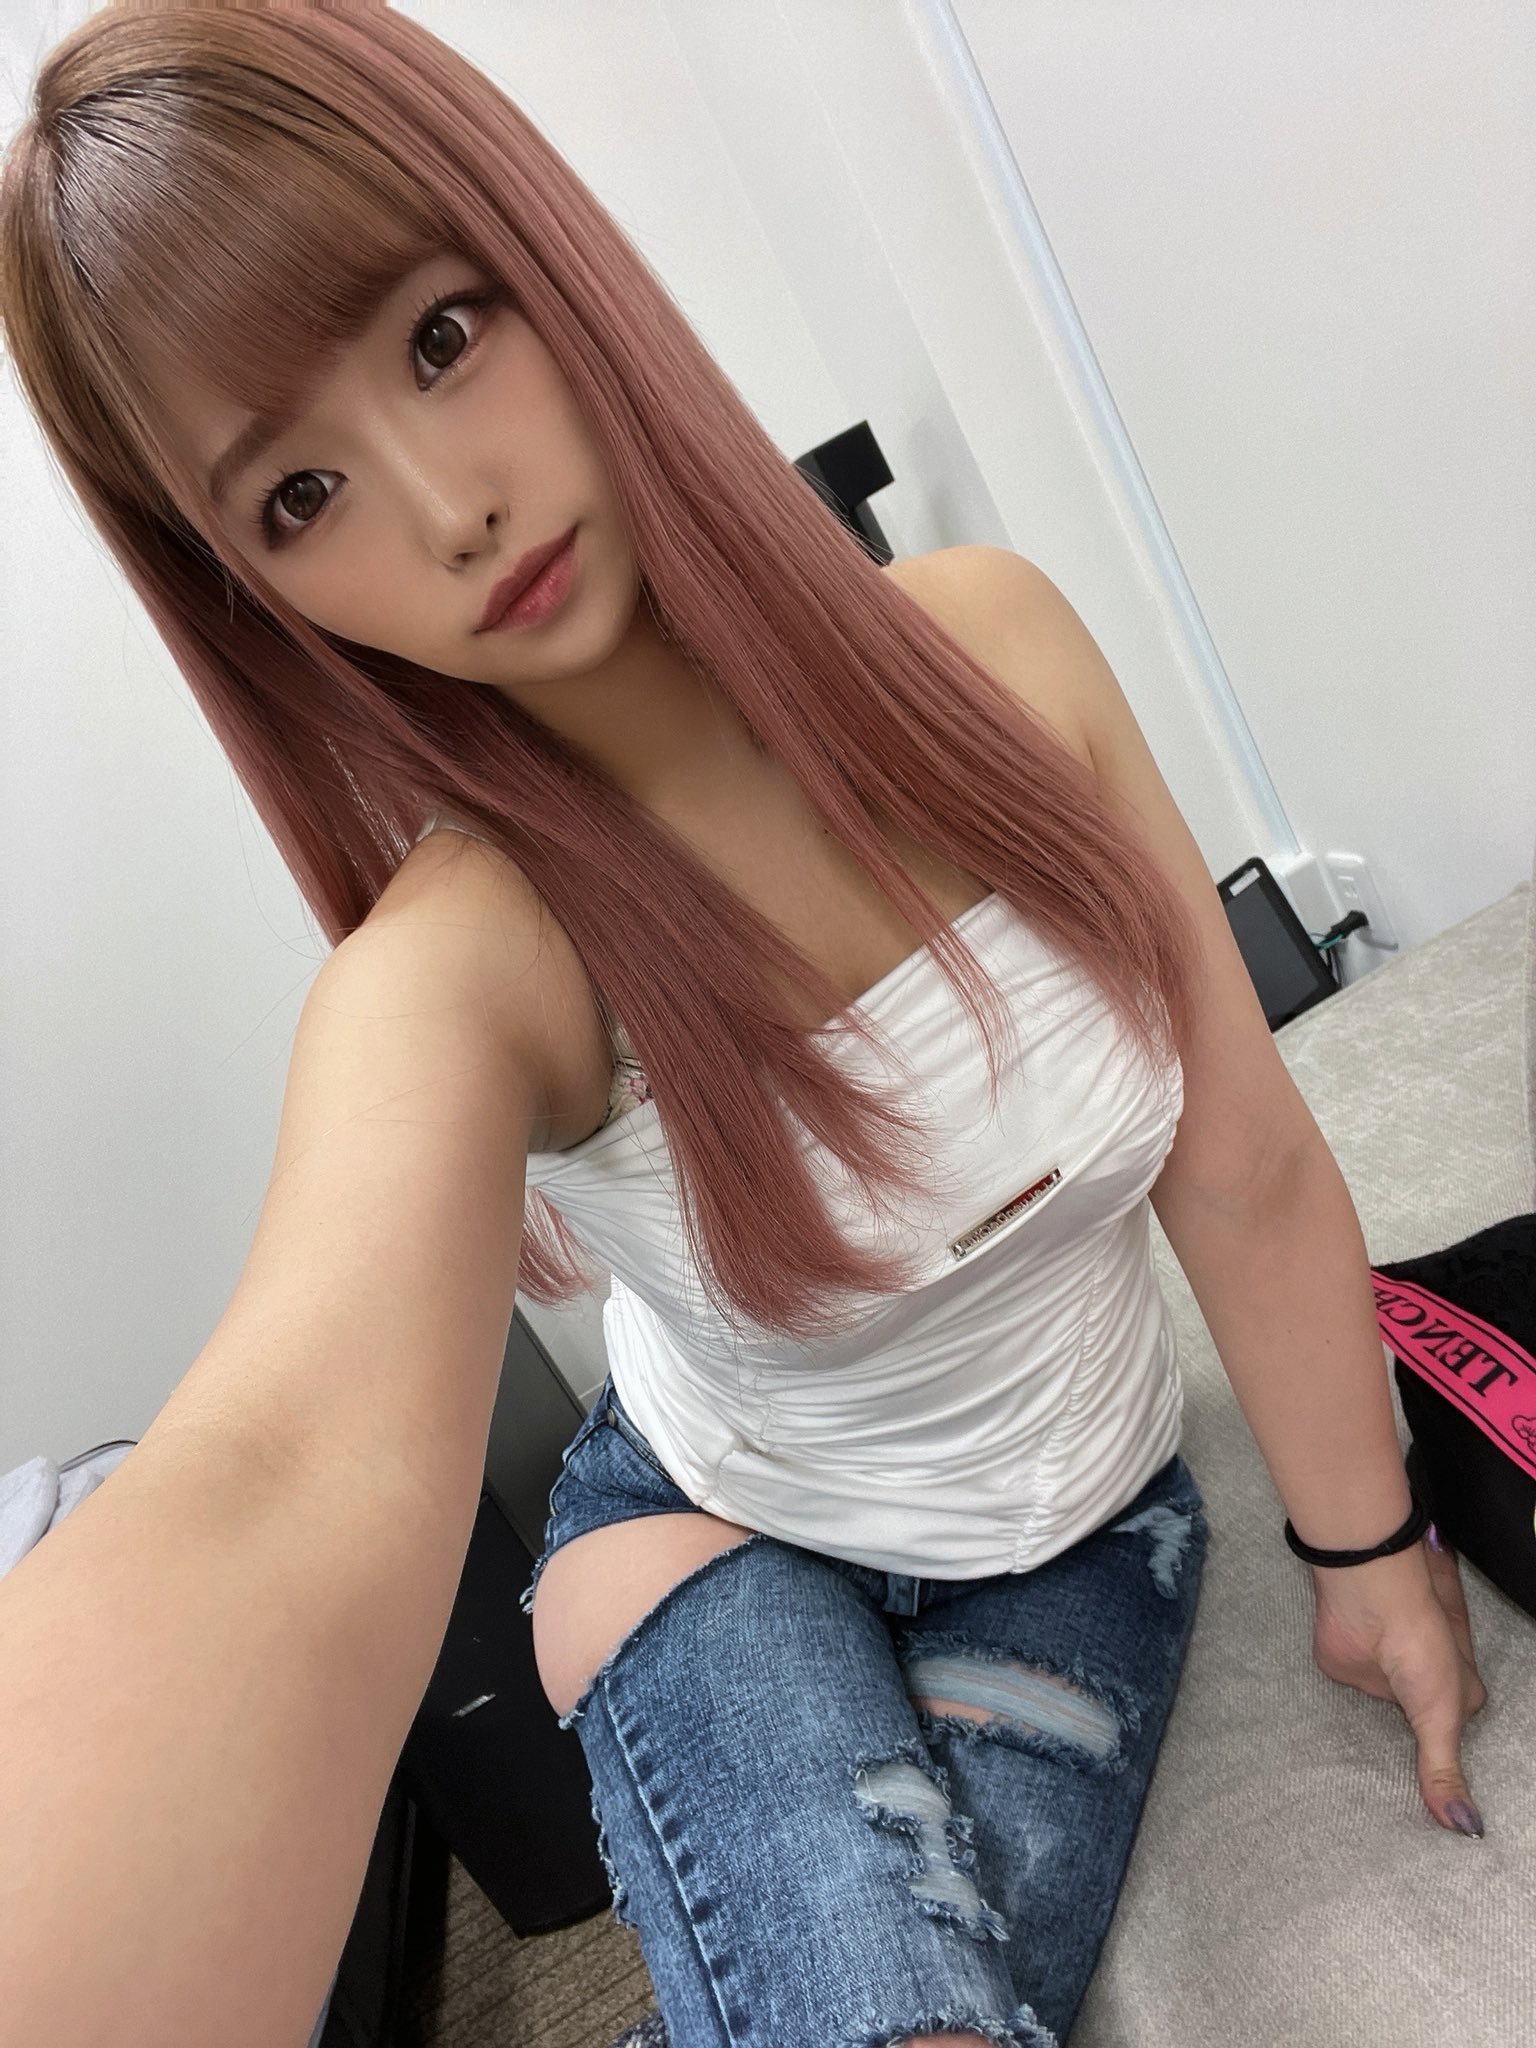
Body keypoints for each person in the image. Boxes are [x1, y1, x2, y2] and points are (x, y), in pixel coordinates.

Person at [0, 5, 1488, 2045]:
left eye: (443, 336)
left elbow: (1239, 1164)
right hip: (709, 1552)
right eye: (302, 493)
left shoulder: (995, 648)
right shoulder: (463, 966)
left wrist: (1370, 1543)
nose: (448, 507)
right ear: (252, 592)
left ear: (549, 251)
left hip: (1082, 1533)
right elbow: (274, 1483)